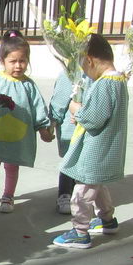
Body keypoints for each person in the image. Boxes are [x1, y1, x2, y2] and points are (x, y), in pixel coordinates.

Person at [53, 34, 129, 249]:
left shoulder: (105, 84)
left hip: (97, 147)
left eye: (83, 67)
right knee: (97, 185)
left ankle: (79, 231)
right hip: (107, 148)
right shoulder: (118, 80)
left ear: (89, 60)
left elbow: (94, 119)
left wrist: (77, 111)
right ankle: (107, 219)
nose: (85, 73)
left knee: (83, 191)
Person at [0, 32, 53, 214]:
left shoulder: (29, 86)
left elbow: (39, 108)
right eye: (13, 61)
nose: (18, 66)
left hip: (17, 134)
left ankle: (8, 195)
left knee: (11, 164)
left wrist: (44, 129)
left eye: (22, 61)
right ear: (2, 61)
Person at [48, 67, 81, 215]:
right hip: (71, 127)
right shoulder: (70, 72)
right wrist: (53, 121)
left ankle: (80, 195)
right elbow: (60, 100)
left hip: (89, 125)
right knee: (70, 161)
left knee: (83, 162)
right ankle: (64, 194)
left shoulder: (99, 72)